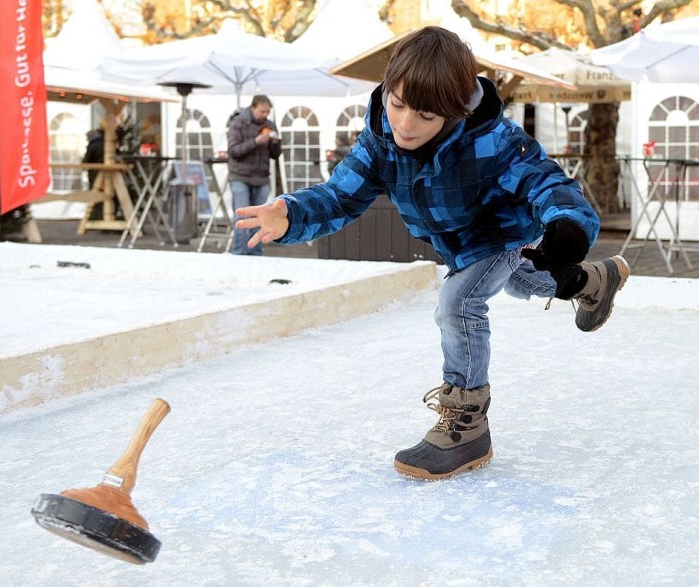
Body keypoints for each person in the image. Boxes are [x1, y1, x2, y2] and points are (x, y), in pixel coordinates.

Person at [234, 26, 630, 480]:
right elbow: (341, 196)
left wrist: (567, 227)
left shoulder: (495, 141)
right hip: (460, 245)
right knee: (527, 281)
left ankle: (467, 422)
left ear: (456, 109)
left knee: (459, 303)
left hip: (500, 233)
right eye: (397, 104)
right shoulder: (380, 141)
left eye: (424, 115)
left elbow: (548, 182)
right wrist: (292, 214)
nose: (405, 125)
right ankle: (594, 281)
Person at [227, 94, 282, 255]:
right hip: (240, 177)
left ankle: (256, 255)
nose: (265, 115)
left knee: (261, 219)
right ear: (253, 108)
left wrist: (276, 143)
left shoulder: (270, 125)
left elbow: (275, 155)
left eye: (267, 112)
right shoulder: (238, 123)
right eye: (262, 112)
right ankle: (238, 254)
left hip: (262, 178)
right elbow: (233, 151)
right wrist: (256, 142)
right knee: (242, 219)